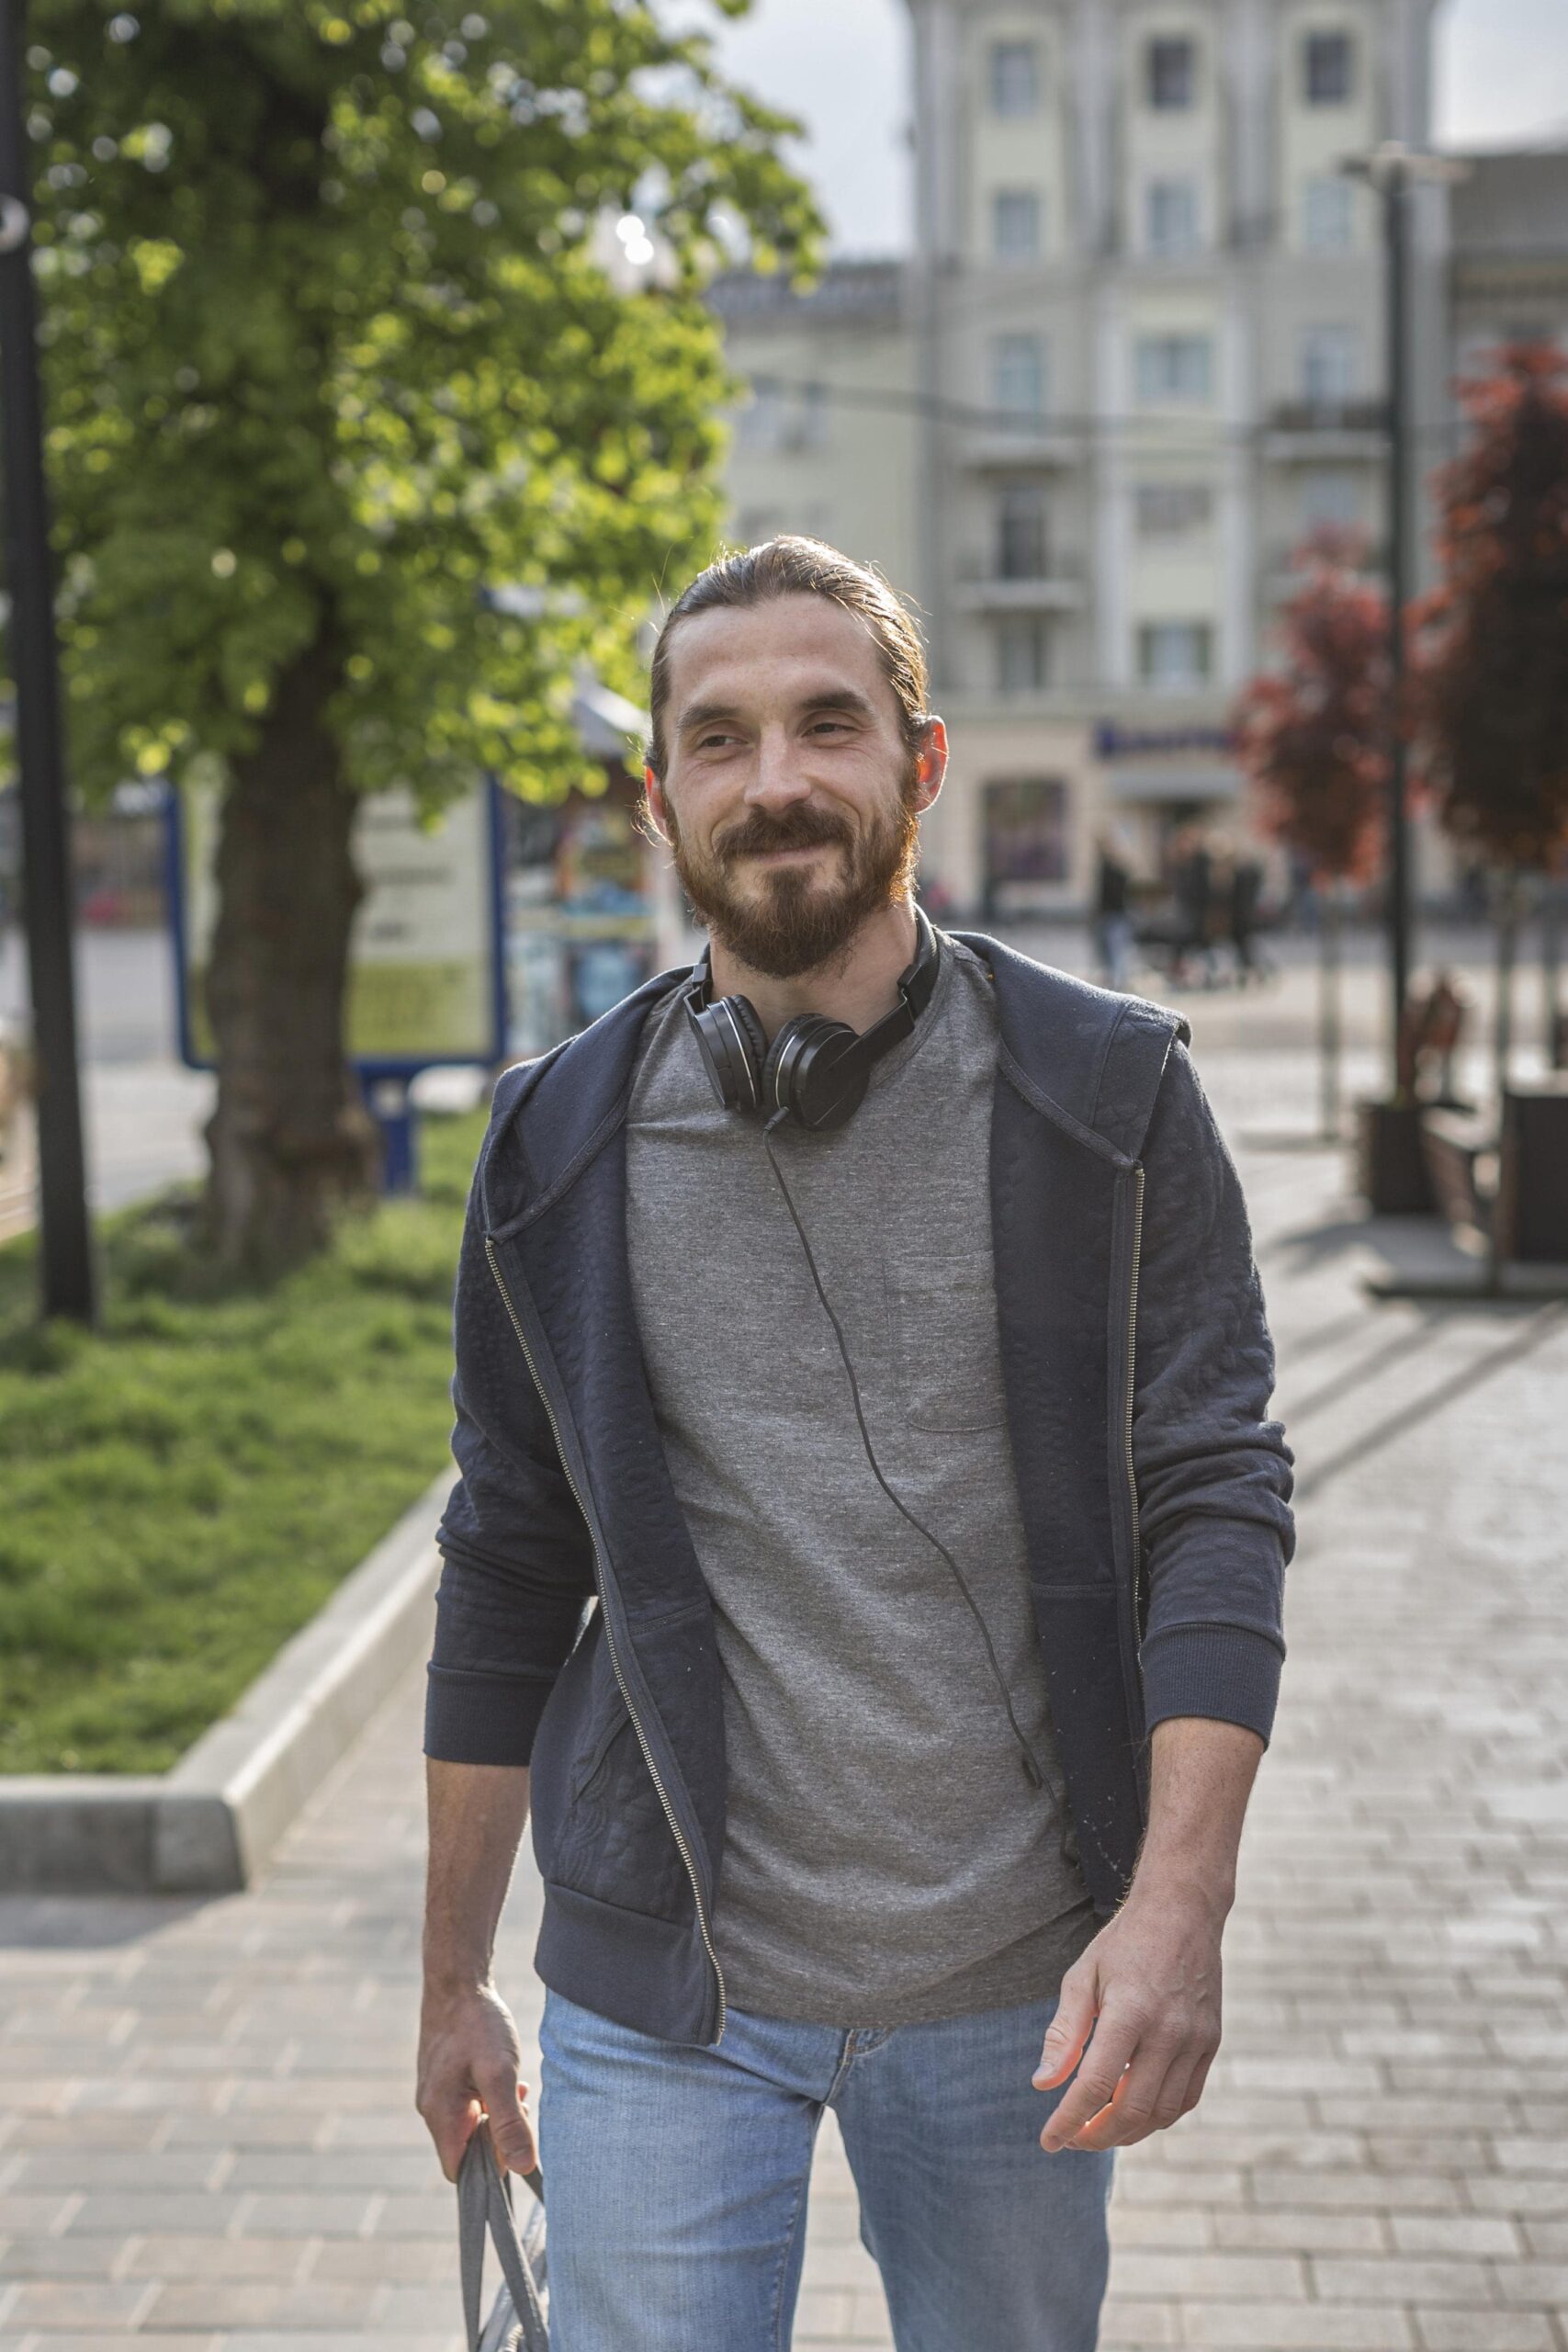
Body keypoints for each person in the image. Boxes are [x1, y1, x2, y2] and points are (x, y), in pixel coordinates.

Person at [416, 537, 1294, 2352]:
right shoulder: (552, 1142)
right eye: (720, 737)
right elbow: (505, 1555)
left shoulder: (1106, 1097)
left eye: (829, 722)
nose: (778, 779)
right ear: (661, 791)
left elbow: (1211, 1490)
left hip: (1015, 1987)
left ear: (921, 758)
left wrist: (1177, 1905)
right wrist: (448, 1981)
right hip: (662, 1982)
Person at [1092, 827, 1136, 992]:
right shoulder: (1105, 867)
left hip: (1116, 915)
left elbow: (1122, 891)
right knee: (1110, 953)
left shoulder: (1116, 870)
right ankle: (1115, 982)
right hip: (1109, 915)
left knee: (1117, 952)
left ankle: (1119, 984)